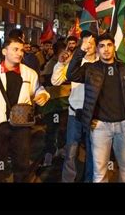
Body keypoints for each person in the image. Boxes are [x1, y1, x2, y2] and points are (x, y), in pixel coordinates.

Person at [66, 33, 125, 182]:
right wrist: (80, 51)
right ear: (97, 49)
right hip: (100, 127)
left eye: (109, 45)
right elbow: (70, 74)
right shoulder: (90, 68)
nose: (106, 49)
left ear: (114, 47)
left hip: (124, 126)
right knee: (100, 171)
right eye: (102, 46)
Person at [0, 37, 50, 182]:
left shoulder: (29, 73)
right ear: (5, 51)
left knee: (22, 162)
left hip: (21, 125)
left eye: (22, 50)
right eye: (15, 49)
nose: (19, 53)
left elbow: (38, 89)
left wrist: (43, 94)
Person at [51, 30, 98, 182]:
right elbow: (55, 81)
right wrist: (60, 63)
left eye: (91, 43)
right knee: (71, 151)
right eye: (85, 43)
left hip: (95, 116)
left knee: (93, 152)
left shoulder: (102, 63)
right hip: (74, 113)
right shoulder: (74, 63)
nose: (88, 46)